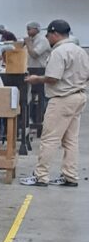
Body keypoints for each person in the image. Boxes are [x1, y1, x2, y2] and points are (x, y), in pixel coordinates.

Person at [22, 20, 89, 187]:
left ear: (55, 34)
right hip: (78, 96)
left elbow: (53, 77)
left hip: (62, 99)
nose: (47, 38)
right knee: (70, 140)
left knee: (49, 138)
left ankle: (41, 176)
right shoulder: (80, 51)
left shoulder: (59, 52)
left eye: (48, 35)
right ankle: (70, 176)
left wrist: (36, 79)